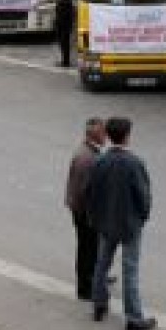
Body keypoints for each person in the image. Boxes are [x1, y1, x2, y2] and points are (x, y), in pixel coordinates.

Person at [86, 116, 155, 330]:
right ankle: (133, 317)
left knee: (102, 263)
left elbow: (90, 192)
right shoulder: (134, 163)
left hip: (106, 222)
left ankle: (99, 304)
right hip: (130, 224)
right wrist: (143, 217)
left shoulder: (100, 160)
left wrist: (97, 217)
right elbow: (143, 196)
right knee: (130, 269)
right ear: (126, 137)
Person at [65, 117, 107, 301]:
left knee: (92, 246)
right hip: (85, 213)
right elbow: (83, 193)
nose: (106, 135)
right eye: (104, 132)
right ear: (96, 135)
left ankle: (95, 274)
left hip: (83, 210)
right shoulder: (87, 158)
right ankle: (85, 287)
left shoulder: (89, 152)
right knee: (87, 248)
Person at [55, 0, 75, 68]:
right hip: (62, 26)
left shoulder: (65, 3)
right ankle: (64, 60)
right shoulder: (63, 2)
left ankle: (66, 62)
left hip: (64, 27)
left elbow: (63, 16)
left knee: (64, 44)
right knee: (63, 44)